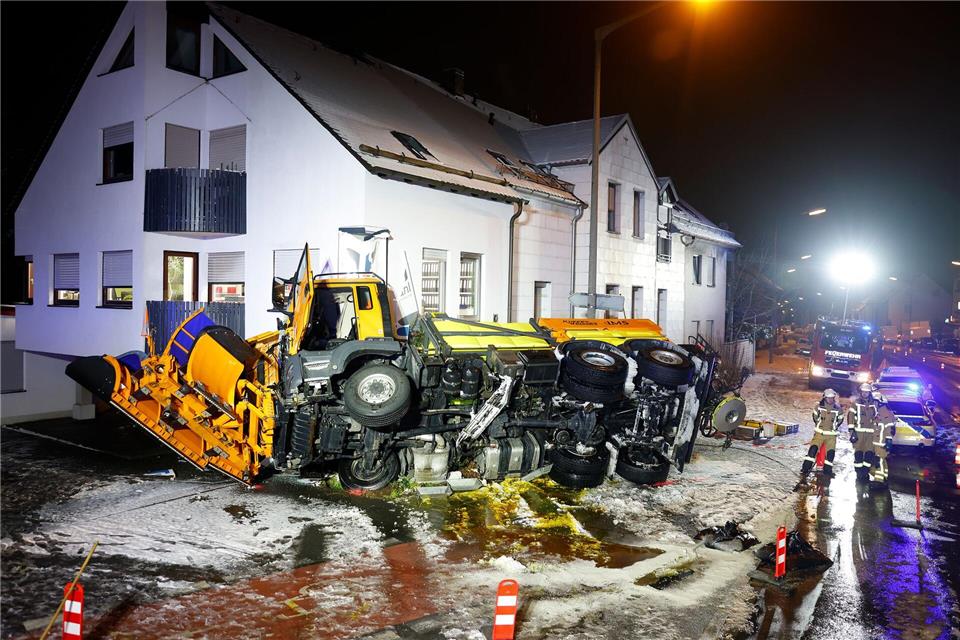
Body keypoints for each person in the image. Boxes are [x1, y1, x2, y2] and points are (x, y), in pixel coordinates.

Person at [801, 388, 844, 478]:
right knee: (812, 451)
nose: (830, 399)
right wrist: (819, 425)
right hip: (819, 433)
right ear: (824, 397)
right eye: (828, 398)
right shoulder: (819, 407)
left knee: (830, 454)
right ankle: (805, 469)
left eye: (831, 398)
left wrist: (834, 427)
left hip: (831, 435)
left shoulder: (838, 409)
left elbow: (840, 420)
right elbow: (815, 417)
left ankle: (827, 472)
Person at [848, 382, 880, 482]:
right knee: (858, 453)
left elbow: (878, 418)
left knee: (869, 454)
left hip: (871, 434)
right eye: (863, 392)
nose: (865, 394)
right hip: (859, 432)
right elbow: (850, 417)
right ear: (860, 392)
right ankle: (859, 473)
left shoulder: (874, 404)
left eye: (867, 392)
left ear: (870, 393)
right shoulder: (856, 403)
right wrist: (852, 431)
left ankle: (865, 472)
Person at [869, 392, 896, 484]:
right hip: (877, 442)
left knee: (878, 460)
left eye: (875, 402)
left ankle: (879, 481)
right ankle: (884, 476)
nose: (874, 404)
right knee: (881, 460)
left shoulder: (885, 414)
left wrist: (888, 441)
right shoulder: (878, 413)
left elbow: (890, 429)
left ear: (880, 403)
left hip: (881, 443)